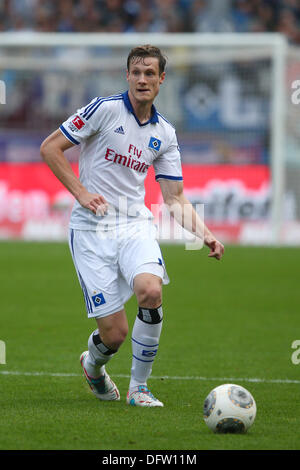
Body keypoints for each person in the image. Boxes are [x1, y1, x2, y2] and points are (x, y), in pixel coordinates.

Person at [40, 44, 224, 408]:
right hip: (91, 231)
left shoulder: (165, 134)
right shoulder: (104, 110)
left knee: (151, 291)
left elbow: (174, 198)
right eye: (136, 73)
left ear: (161, 80)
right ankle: (93, 365)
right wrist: (80, 191)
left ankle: (138, 387)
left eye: (150, 74)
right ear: (127, 76)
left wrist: (206, 234)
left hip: (135, 225)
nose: (142, 79)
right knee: (114, 334)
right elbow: (49, 148)